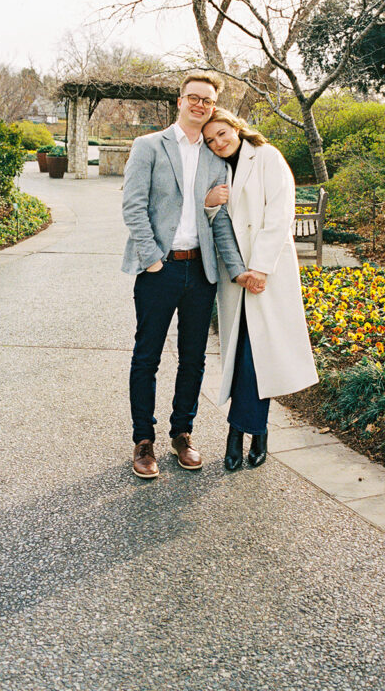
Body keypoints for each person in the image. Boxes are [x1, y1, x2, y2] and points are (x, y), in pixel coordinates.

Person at [122, 73, 257, 479]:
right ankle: (143, 441)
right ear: (179, 101)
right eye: (193, 97)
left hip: (201, 271)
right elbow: (133, 207)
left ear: (213, 107)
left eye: (208, 101)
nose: (200, 105)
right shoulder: (149, 146)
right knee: (146, 357)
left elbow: (219, 224)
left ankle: (183, 432)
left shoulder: (217, 158)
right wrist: (153, 261)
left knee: (194, 359)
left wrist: (237, 271)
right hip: (159, 269)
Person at [203, 108, 319, 471]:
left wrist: (260, 269)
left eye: (222, 133)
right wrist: (209, 205)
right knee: (242, 355)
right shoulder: (217, 168)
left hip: (269, 271)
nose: (218, 143)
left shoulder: (267, 157)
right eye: (210, 140)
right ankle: (256, 430)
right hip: (236, 276)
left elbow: (280, 214)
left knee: (257, 357)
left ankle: (239, 432)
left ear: (236, 127)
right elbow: (218, 221)